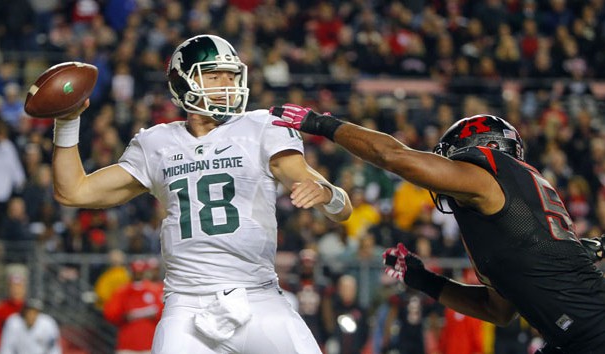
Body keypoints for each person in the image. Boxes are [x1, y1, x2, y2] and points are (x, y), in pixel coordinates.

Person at [50, 34, 352, 354]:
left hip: (258, 297)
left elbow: (340, 207)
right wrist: (68, 122)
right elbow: (73, 192)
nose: (227, 83)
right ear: (183, 82)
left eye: (231, 74)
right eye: (213, 75)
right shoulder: (156, 143)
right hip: (187, 304)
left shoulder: (262, 126)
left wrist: (327, 195)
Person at [269, 104, 605, 354]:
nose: (444, 170)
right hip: (574, 336)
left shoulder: (487, 178)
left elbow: (393, 156)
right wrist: (425, 280)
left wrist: (324, 124)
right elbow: (498, 310)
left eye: (449, 160)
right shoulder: (503, 209)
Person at [103, 258, 164, 354]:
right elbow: (111, 313)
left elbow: (163, 313)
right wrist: (125, 315)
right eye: (136, 272)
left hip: (149, 343)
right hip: (127, 344)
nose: (138, 275)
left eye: (140, 272)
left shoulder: (155, 290)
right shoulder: (122, 291)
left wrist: (150, 314)